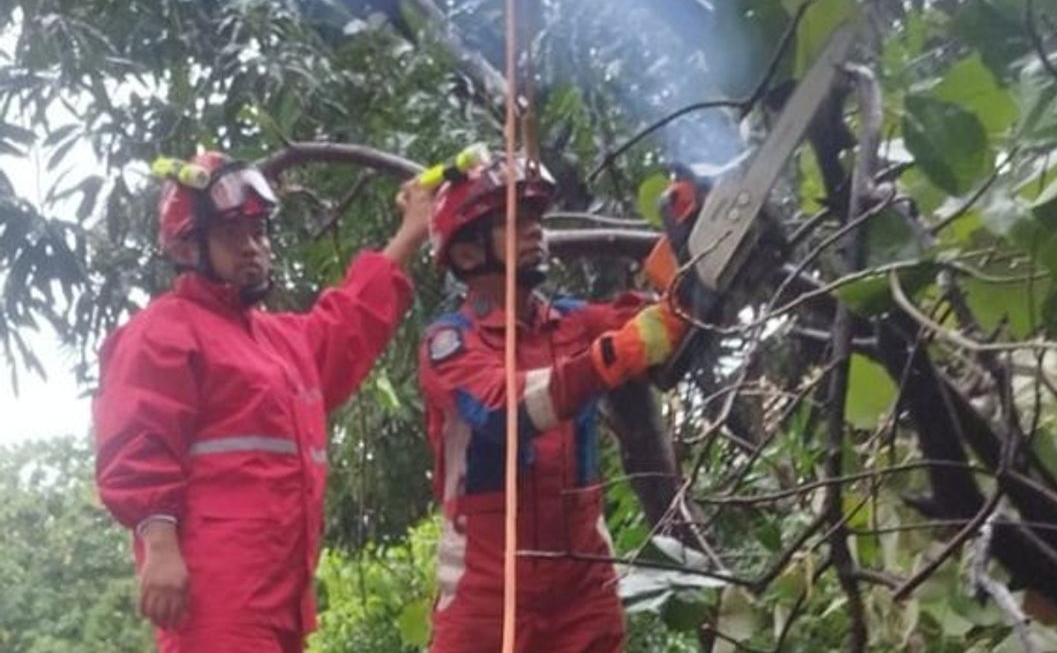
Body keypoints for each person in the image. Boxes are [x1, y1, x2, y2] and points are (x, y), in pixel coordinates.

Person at [93, 151, 430, 653]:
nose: (253, 248)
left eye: (259, 233)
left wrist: (412, 232)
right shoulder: (162, 332)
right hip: (218, 597)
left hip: (282, 597)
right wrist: (159, 548)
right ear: (188, 246)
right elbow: (138, 445)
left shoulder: (280, 342)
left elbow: (348, 324)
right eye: (233, 235)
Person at [417, 156, 687, 652]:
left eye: (537, 218)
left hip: (583, 589)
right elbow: (503, 409)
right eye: (515, 221)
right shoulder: (450, 342)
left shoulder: (572, 322)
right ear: (471, 252)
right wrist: (610, 357)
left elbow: (656, 320)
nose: (535, 231)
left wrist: (687, 246)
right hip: (486, 598)